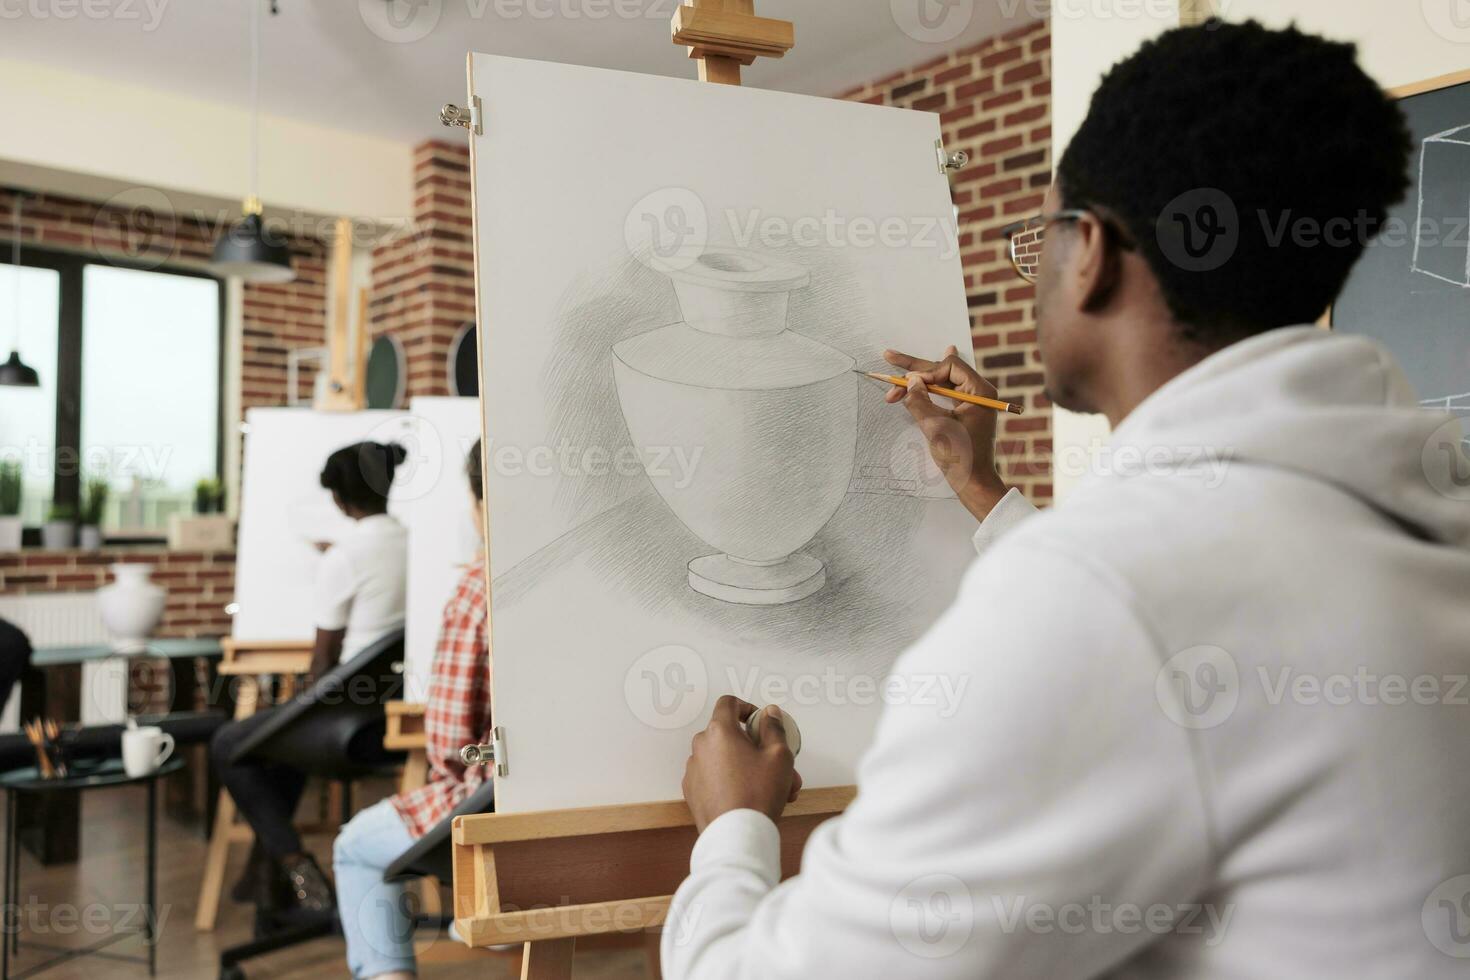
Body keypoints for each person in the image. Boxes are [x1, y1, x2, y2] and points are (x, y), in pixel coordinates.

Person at [666, 21, 1470, 980]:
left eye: (1031, 240)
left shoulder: (1105, 601)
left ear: (1088, 251)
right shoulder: (1415, 511)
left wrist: (734, 828)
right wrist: (986, 493)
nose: (1032, 268)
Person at [211, 440, 410, 920]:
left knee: (228, 744)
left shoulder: (345, 557)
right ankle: (271, 882)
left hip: (345, 730)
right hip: (394, 723)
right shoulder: (413, 542)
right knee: (280, 749)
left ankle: (297, 869)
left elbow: (323, 664)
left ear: (340, 501)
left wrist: (334, 563)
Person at [332, 438, 491, 980]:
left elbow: (449, 743)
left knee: (353, 847)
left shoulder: (479, 585)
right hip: (593, 816)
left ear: (479, 504)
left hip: (500, 815)